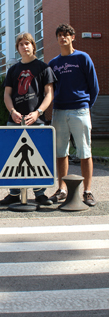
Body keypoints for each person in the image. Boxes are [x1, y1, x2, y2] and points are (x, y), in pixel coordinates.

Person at [0, 32, 57, 206]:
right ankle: (14, 193)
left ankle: (39, 193)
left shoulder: (43, 68)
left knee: (38, 157)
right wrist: (13, 112)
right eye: (21, 44)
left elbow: (49, 94)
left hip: (36, 120)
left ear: (33, 45)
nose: (25, 46)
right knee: (14, 158)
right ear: (17, 48)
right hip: (16, 120)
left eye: (28, 43)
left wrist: (38, 112)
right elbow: (7, 95)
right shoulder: (13, 70)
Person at [48, 23, 99, 206]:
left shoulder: (83, 58)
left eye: (66, 34)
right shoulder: (53, 64)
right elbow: (50, 90)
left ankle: (87, 191)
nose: (63, 38)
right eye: (60, 35)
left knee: (85, 152)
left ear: (73, 37)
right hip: (59, 111)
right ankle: (61, 190)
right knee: (61, 153)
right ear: (57, 39)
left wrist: (85, 105)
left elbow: (94, 86)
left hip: (80, 110)